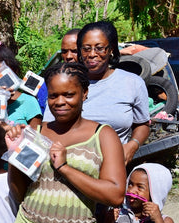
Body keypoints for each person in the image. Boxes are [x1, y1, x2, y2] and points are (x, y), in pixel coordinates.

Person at [7, 62, 126, 223]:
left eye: (69, 94)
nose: (60, 102)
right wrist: (14, 155)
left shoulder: (103, 136)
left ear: (85, 93)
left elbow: (115, 194)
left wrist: (64, 167)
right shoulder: (37, 131)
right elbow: (19, 194)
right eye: (53, 96)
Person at [43, 21, 150, 165]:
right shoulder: (66, 82)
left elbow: (142, 124)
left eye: (99, 48)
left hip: (112, 169)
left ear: (111, 49)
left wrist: (133, 145)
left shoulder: (132, 83)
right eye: (86, 49)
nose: (92, 54)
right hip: (65, 167)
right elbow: (47, 126)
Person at [0, 40, 42, 128]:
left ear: (15, 71)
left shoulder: (29, 102)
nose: (3, 81)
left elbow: (37, 138)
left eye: (6, 75)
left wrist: (9, 129)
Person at [37, 28, 81, 113]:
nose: (68, 56)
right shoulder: (48, 84)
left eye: (74, 51)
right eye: (64, 51)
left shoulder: (96, 83)